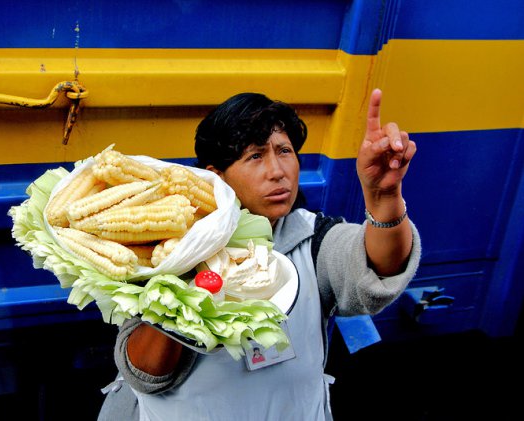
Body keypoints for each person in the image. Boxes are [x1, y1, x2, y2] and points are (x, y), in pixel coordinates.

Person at [98, 88, 421, 420]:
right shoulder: (167, 247)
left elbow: (377, 266)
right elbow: (145, 372)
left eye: (284, 151)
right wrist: (184, 288)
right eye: (255, 156)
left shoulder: (311, 240)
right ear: (216, 175)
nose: (277, 170)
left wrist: (384, 197)